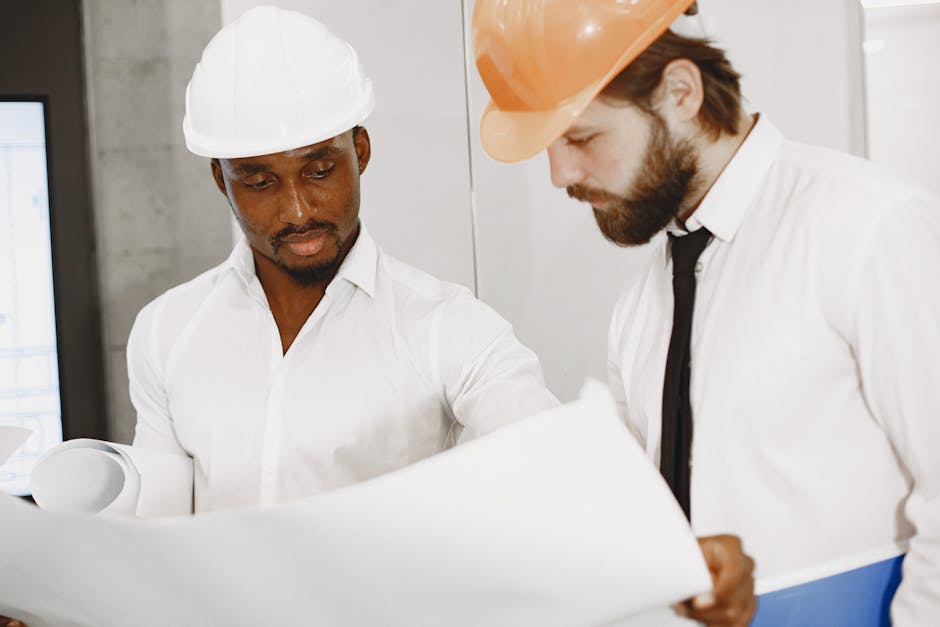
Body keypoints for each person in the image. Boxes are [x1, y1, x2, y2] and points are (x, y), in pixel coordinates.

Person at [473, 0, 940, 625]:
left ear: (681, 92)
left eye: (581, 137)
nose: (560, 174)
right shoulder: (641, 308)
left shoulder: (867, 228)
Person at [127, 5, 557, 512]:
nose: (298, 210)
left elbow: (547, 471)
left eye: (320, 170)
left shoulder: (448, 329)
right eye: (260, 182)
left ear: (362, 151)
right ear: (223, 181)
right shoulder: (167, 332)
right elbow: (157, 529)